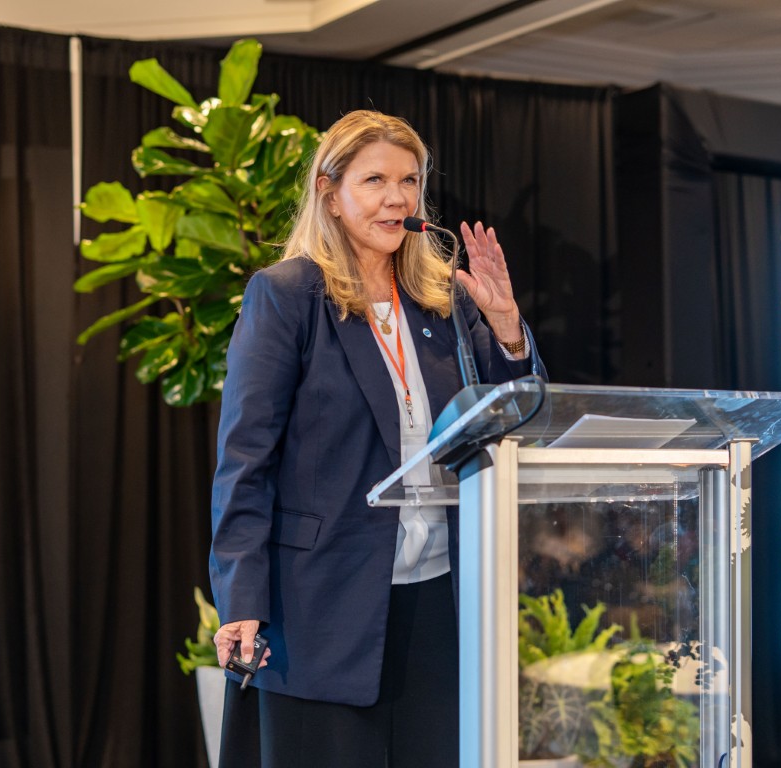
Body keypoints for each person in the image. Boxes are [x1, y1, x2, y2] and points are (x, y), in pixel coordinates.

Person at [209, 109, 545, 768]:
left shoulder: (445, 299)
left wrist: (507, 327)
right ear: (331, 194)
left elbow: (515, 416)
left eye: (409, 181)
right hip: (321, 601)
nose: (398, 198)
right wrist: (241, 600)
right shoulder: (287, 296)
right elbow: (245, 460)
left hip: (438, 597)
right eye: (376, 181)